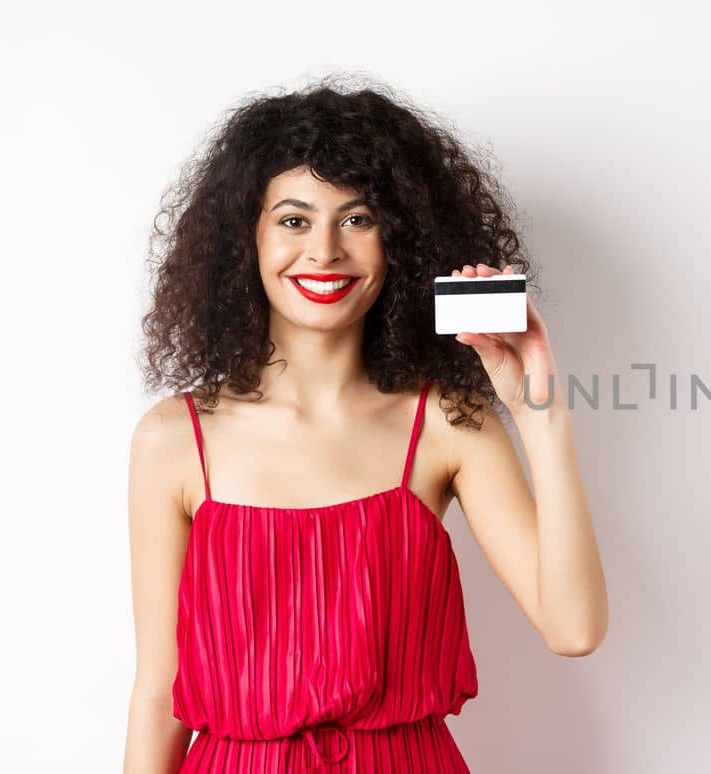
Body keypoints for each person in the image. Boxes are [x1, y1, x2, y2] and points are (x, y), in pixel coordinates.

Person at [121, 77, 608, 773]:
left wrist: (542, 417)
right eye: (293, 220)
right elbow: (159, 689)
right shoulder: (173, 439)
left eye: (357, 219)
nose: (324, 252)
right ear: (245, 241)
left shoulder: (448, 424)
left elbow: (575, 627)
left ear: (400, 241)